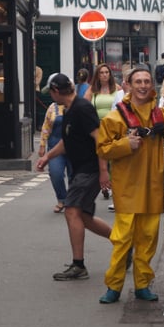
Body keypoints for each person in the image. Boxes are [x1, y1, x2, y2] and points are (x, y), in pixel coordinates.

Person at [96, 68, 164, 303]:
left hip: (152, 187)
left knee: (149, 238)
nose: (142, 85)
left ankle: (142, 284)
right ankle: (114, 286)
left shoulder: (163, 115)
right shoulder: (115, 118)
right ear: (128, 85)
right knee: (122, 239)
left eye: (146, 81)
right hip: (128, 188)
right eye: (138, 81)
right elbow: (102, 148)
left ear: (152, 84)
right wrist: (125, 144)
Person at [35, 73, 112, 281]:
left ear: (56, 91)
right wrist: (48, 157)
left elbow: (100, 139)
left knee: (71, 211)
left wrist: (104, 171)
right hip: (82, 169)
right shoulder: (69, 109)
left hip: (89, 169)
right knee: (84, 217)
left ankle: (79, 265)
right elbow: (67, 141)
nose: (51, 97)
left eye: (51, 93)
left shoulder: (82, 109)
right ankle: (123, 243)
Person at [84, 63, 120, 199]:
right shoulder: (92, 90)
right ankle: (105, 184)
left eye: (107, 72)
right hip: (98, 127)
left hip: (114, 126)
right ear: (97, 75)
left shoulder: (117, 89)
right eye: (101, 73)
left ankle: (110, 185)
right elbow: (84, 107)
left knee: (112, 156)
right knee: (101, 155)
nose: (104, 75)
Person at [39, 74, 72, 213]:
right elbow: (46, 126)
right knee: (56, 173)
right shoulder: (52, 108)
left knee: (74, 175)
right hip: (54, 145)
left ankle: (73, 201)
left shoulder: (75, 106)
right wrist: (42, 145)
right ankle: (62, 199)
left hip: (72, 147)